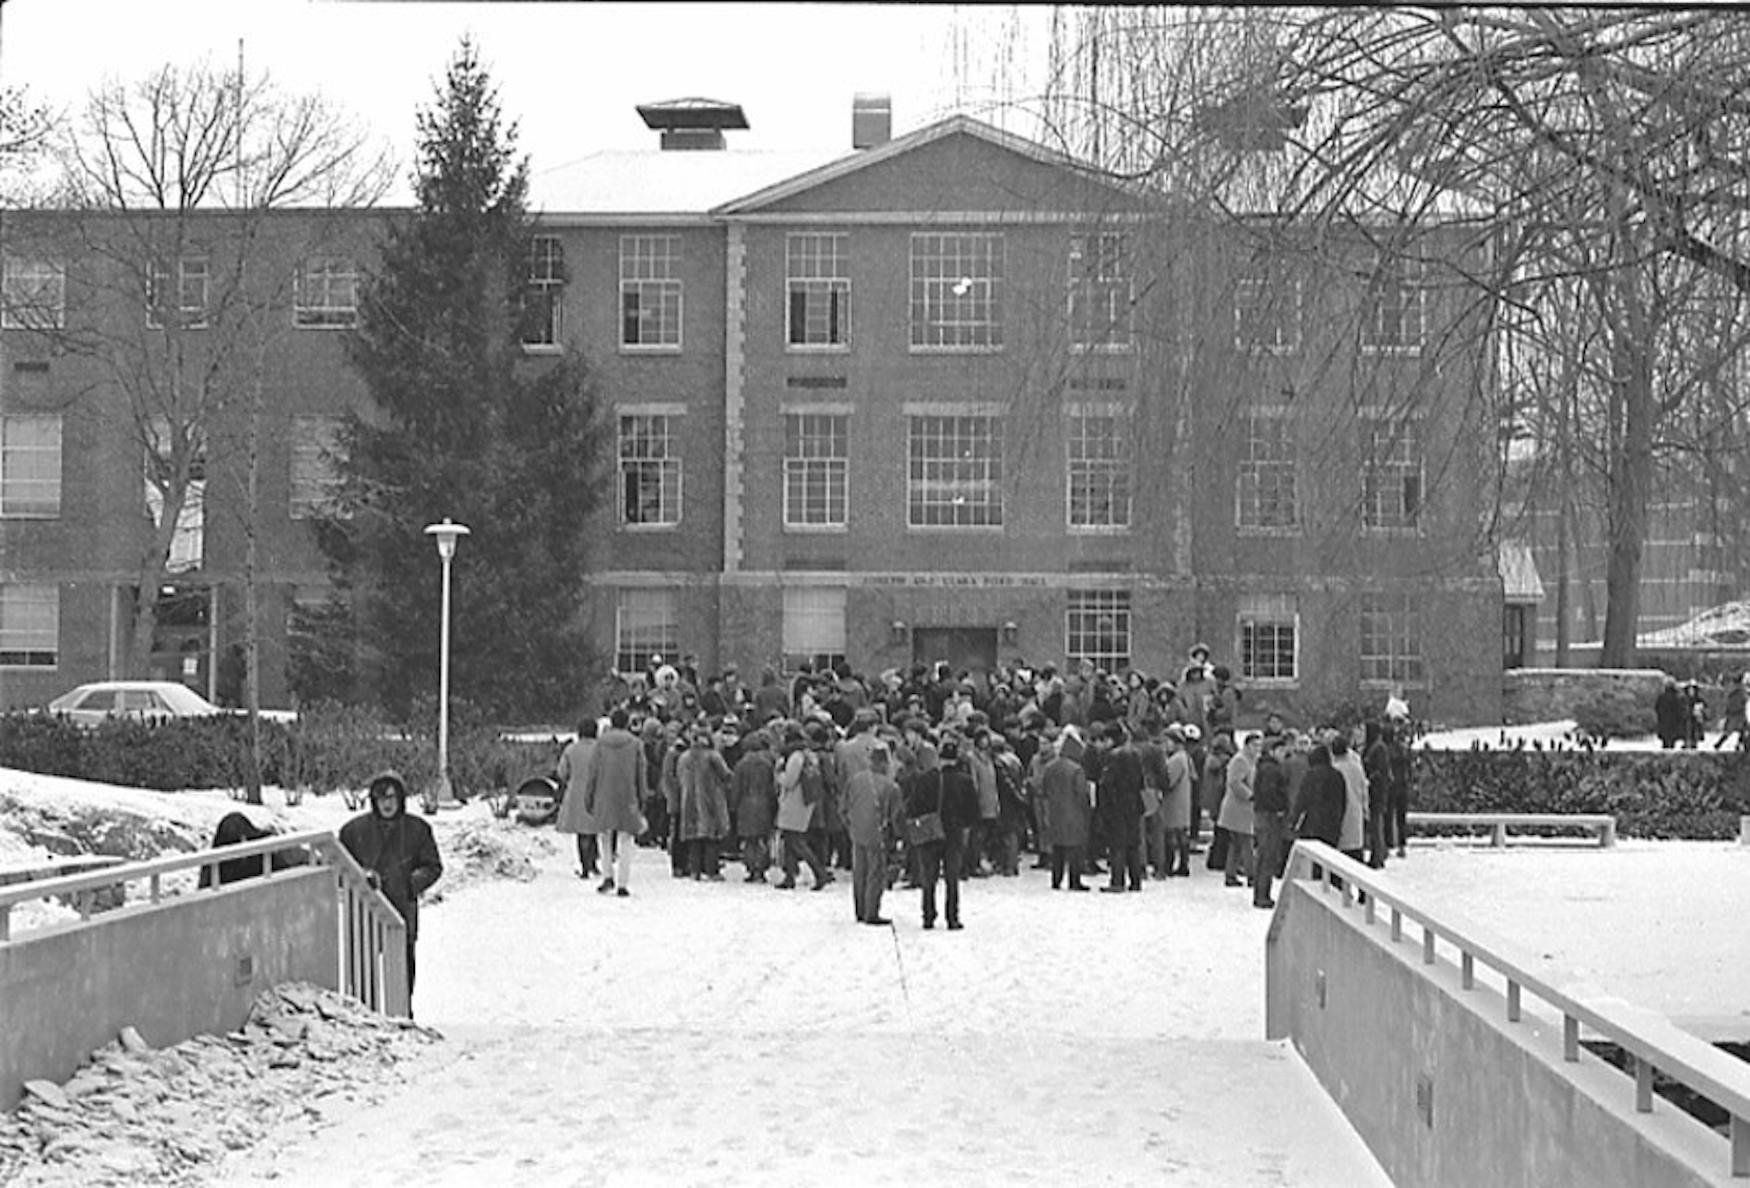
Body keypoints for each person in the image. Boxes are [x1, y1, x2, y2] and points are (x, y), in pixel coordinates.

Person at [339, 771, 443, 1000]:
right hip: (364, 913)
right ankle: (365, 1013)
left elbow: (433, 866)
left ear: (401, 799)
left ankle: (403, 1013)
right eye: (381, 798)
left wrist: (410, 883)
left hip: (401, 910)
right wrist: (360, 880)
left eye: (392, 797)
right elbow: (340, 869)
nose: (387, 804)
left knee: (403, 971)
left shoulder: (417, 830)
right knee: (363, 970)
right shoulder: (354, 831)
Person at [909, 738, 978, 929]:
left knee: (929, 876)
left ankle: (928, 915)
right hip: (954, 834)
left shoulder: (926, 779)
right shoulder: (965, 781)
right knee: (952, 877)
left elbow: (914, 806)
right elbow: (973, 811)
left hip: (931, 833)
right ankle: (952, 917)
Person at [586, 708, 648, 897]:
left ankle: (607, 876)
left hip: (603, 795)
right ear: (628, 722)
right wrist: (642, 797)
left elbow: (592, 773)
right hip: (628, 795)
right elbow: (641, 773)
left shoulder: (600, 744)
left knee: (604, 837)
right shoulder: (636, 744)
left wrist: (589, 798)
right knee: (626, 839)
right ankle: (622, 883)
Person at [842, 744, 903, 925]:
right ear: (885, 764)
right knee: (875, 873)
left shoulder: (854, 781)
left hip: (857, 832)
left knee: (859, 871)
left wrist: (851, 827)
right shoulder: (891, 787)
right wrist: (900, 838)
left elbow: (843, 808)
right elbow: (896, 816)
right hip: (878, 833)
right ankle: (871, 912)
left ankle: (860, 910)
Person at [676, 726, 732, 880]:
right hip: (710, 800)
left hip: (689, 800)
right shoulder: (713, 756)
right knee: (711, 838)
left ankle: (695, 870)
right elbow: (725, 775)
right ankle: (711, 870)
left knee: (694, 838)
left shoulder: (685, 757)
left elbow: (679, 776)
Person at [1097, 723, 1147, 893]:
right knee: (1132, 843)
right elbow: (1141, 780)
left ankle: (1117, 881)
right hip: (1133, 802)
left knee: (1117, 844)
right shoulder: (1135, 754)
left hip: (1117, 805)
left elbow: (1107, 784)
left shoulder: (1112, 756)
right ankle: (1136, 880)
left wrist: (1106, 806)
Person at [1039, 733, 1093, 891]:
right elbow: (1081, 793)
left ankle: (1056, 880)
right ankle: (1074, 881)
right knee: (1075, 849)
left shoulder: (1050, 767)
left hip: (1055, 813)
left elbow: (1044, 789)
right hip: (1074, 814)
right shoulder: (1077, 770)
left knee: (1058, 849)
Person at [553, 716, 600, 879]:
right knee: (594, 830)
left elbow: (562, 772)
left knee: (582, 832)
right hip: (597, 792)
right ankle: (594, 863)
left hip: (576, 793)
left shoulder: (571, 750)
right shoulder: (600, 749)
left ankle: (584, 866)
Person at [729, 732, 777, 882]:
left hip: (746, 806)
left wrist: (733, 806)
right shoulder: (767, 764)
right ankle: (761, 869)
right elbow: (771, 788)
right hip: (764, 804)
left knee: (749, 841)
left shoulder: (741, 765)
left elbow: (736, 788)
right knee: (763, 839)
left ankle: (751, 868)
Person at [1251, 734, 1290, 909]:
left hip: (1262, 814)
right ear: (1273, 751)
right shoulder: (1271, 770)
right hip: (1270, 816)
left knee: (1263, 855)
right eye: (1281, 750)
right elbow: (1269, 792)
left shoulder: (1264, 767)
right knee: (1268, 855)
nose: (1284, 754)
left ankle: (1260, 892)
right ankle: (1263, 895)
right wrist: (1280, 807)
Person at [1219, 731, 1260, 890]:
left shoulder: (1251, 760)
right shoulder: (1240, 760)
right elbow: (1235, 782)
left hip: (1243, 808)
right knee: (1246, 842)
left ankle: (1231, 874)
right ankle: (1251, 875)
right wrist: (1250, 796)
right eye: (1255, 745)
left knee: (1237, 843)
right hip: (1238, 807)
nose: (1258, 749)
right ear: (1247, 745)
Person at [1654, 678, 1687, 750]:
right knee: (1672, 743)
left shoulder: (1662, 697)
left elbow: (1657, 708)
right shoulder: (1678, 697)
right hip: (1674, 724)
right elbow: (1681, 711)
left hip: (1664, 724)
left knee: (1665, 743)